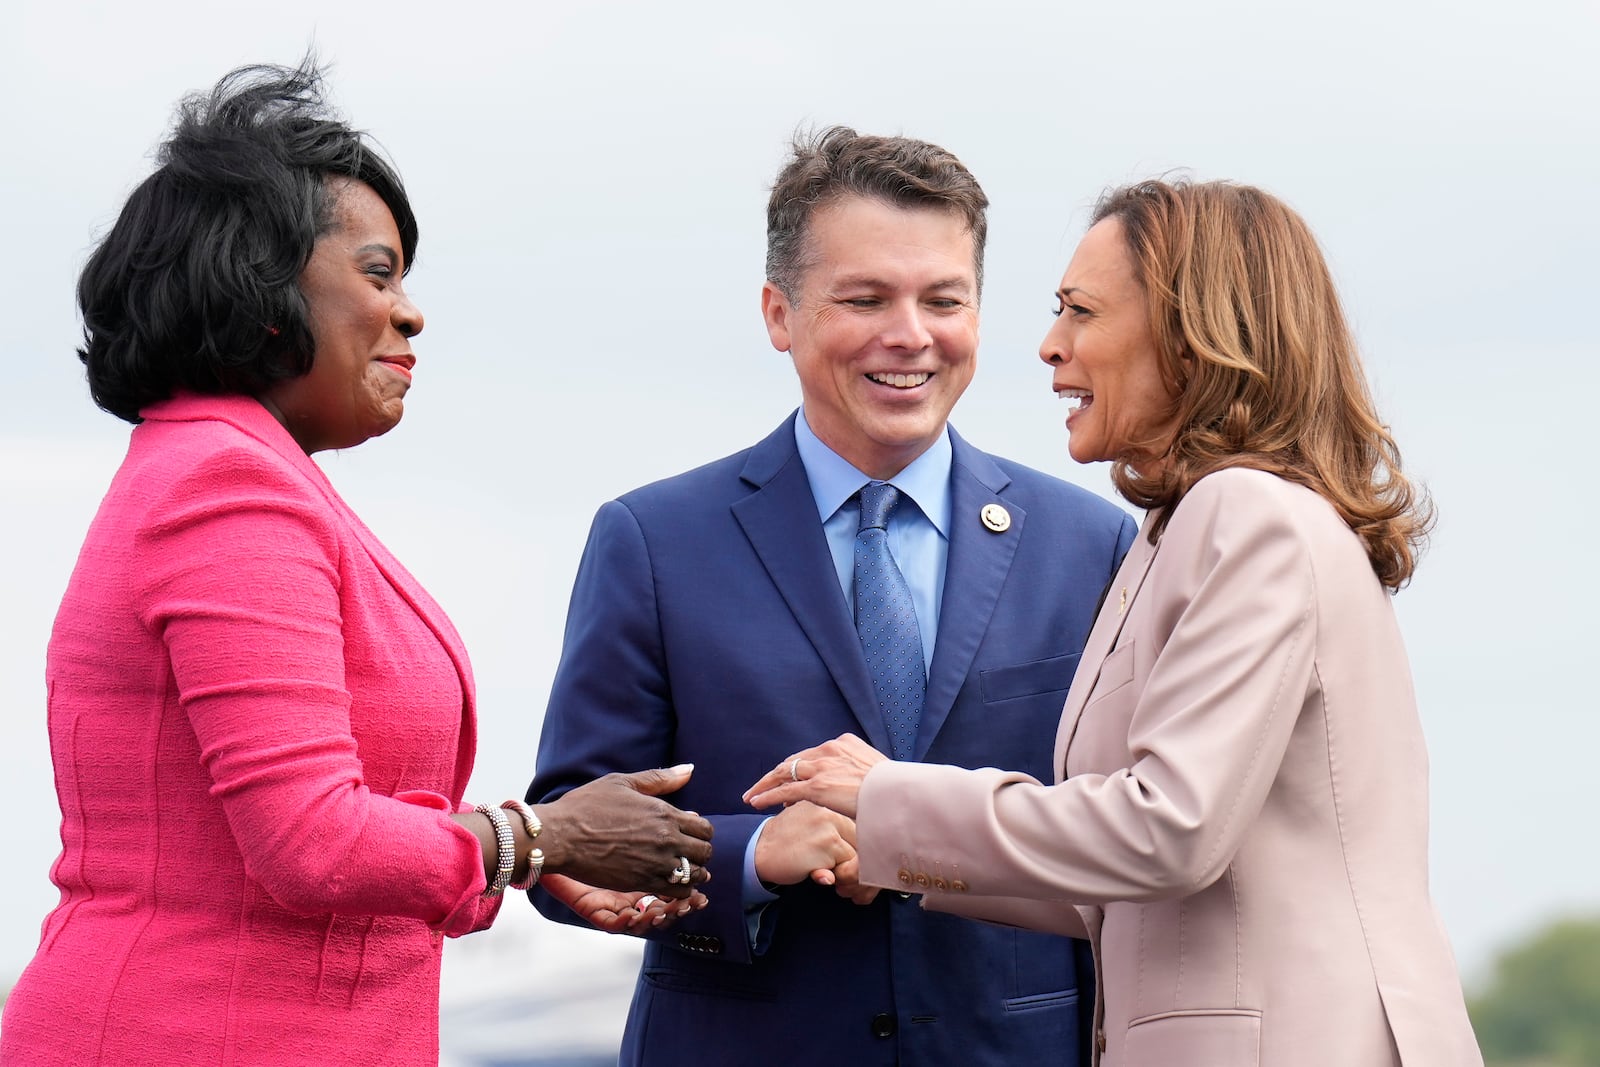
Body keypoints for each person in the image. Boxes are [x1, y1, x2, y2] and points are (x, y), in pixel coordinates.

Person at [0, 60, 711, 1067]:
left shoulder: (238, 470)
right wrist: (540, 837)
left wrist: (523, 860)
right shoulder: (225, 491)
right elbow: (310, 843)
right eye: (379, 274)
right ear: (262, 285)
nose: (412, 313)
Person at [748, 178, 1483, 1065]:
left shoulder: (1245, 514)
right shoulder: (1172, 533)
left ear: (1189, 332)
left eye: (1081, 311)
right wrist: (889, 848)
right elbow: (1124, 890)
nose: (1051, 345)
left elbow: (1168, 829)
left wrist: (888, 792)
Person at [526, 127, 1136, 1066]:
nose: (911, 334)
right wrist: (756, 856)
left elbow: (1128, 826)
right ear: (780, 313)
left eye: (944, 299)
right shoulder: (654, 542)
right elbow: (568, 834)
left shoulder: (1090, 543)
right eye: (865, 299)